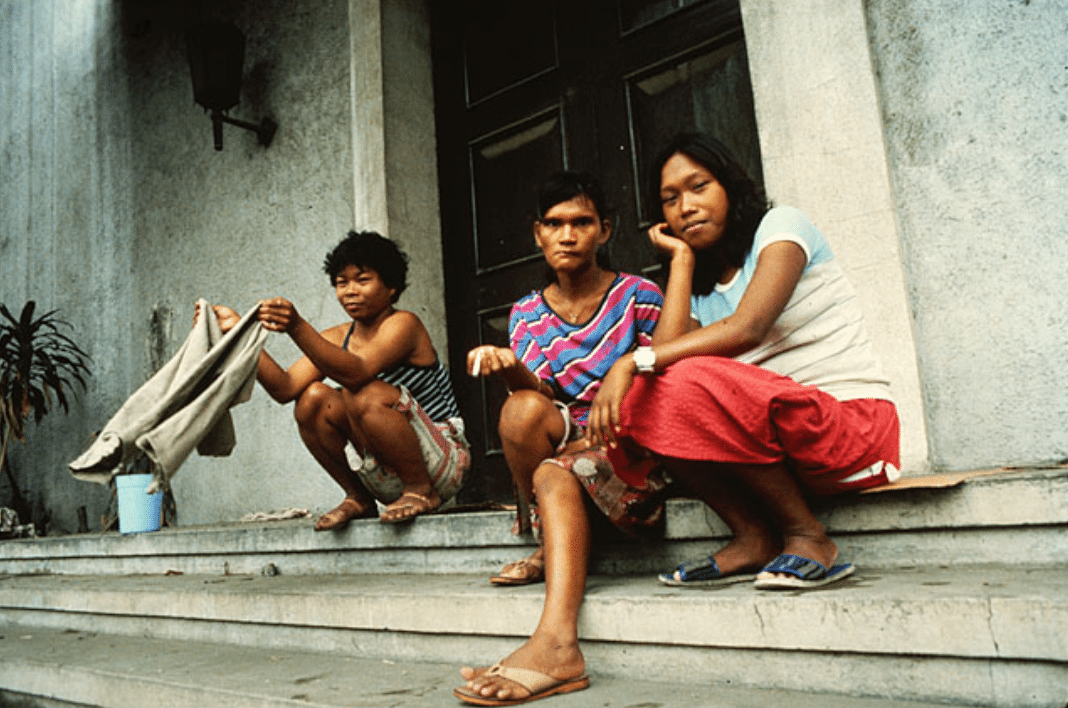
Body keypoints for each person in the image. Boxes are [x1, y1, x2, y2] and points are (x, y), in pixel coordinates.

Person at [587, 132, 901, 591]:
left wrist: (631, 361)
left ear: (730, 187)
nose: (685, 207)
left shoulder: (781, 229)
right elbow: (664, 365)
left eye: (699, 187)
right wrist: (680, 262)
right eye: (669, 200)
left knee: (669, 373)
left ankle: (808, 537)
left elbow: (748, 327)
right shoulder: (699, 281)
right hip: (781, 448)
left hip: (852, 430)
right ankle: (753, 535)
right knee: (651, 392)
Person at [455, 172, 664, 704]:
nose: (567, 234)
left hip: (632, 434)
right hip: (568, 439)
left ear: (604, 230)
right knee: (520, 410)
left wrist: (601, 430)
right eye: (555, 224)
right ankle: (552, 549)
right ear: (537, 234)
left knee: (557, 467)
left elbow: (667, 370)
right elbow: (540, 398)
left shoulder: (639, 295)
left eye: (581, 223)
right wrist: (508, 368)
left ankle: (556, 644)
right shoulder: (527, 311)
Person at [207, 230, 470, 528]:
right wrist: (237, 332)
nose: (350, 291)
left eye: (363, 279)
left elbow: (357, 372)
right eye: (341, 283)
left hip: (441, 466)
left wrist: (296, 326)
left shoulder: (404, 324)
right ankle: (357, 498)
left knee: (363, 392)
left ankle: (420, 492)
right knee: (312, 399)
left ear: (392, 287)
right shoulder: (338, 336)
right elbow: (285, 387)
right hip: (382, 473)